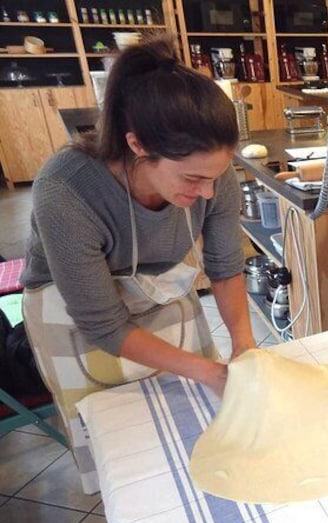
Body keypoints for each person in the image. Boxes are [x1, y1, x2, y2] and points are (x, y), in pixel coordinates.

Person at [21, 36, 256, 493]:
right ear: (137, 144)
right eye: (192, 179)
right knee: (129, 460)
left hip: (158, 290)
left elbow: (225, 265)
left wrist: (243, 345)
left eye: (214, 177)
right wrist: (206, 369)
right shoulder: (66, 189)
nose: (206, 193)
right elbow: (103, 324)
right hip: (73, 316)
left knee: (202, 429)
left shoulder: (214, 175)